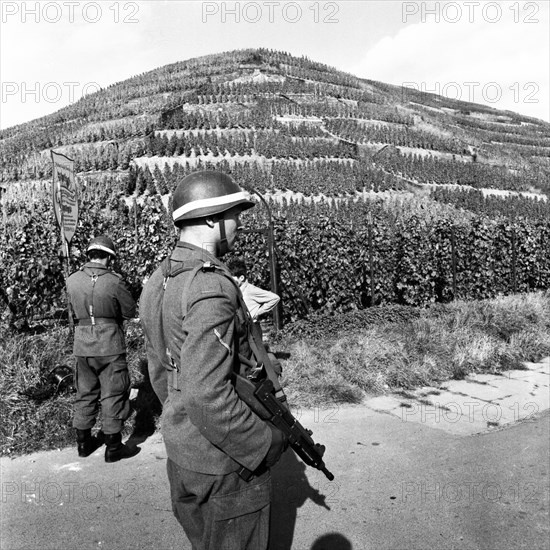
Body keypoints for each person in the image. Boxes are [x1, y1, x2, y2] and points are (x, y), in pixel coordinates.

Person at [139, 170, 288, 550]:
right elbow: (207, 393)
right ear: (211, 220)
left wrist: (181, 414)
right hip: (222, 461)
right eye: (233, 214)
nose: (239, 225)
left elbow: (161, 368)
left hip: (183, 450)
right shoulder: (210, 287)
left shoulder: (160, 280)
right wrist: (262, 442)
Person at [66, 235, 139, 462]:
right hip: (110, 343)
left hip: (82, 344)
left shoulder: (72, 280)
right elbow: (129, 312)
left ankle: (83, 444)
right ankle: (114, 448)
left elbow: (72, 310)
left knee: (85, 392)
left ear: (89, 255)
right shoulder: (115, 281)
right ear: (109, 257)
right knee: (113, 392)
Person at [226, 257, 280, 322]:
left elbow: (274, 298)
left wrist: (256, 313)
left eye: (232, 279)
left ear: (241, 278)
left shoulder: (250, 290)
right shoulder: (234, 290)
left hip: (251, 329)